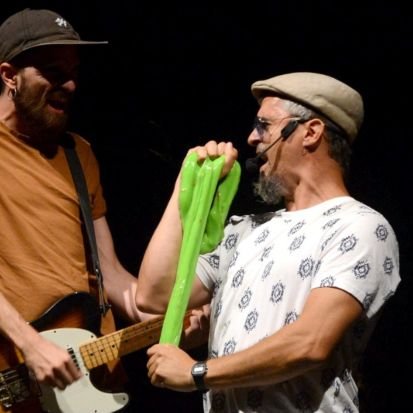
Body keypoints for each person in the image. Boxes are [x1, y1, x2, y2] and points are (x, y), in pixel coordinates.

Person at [137, 71, 401, 412]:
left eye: (264, 125)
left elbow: (310, 342)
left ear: (310, 132)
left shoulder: (360, 227)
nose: (251, 138)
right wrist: (187, 184)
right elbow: (154, 294)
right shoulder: (246, 230)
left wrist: (197, 373)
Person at [0, 8, 168, 413]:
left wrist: (167, 317)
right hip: (18, 379)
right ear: (9, 76)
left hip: (94, 381)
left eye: (73, 72)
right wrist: (32, 344)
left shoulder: (80, 155)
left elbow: (108, 271)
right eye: (53, 73)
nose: (69, 84)